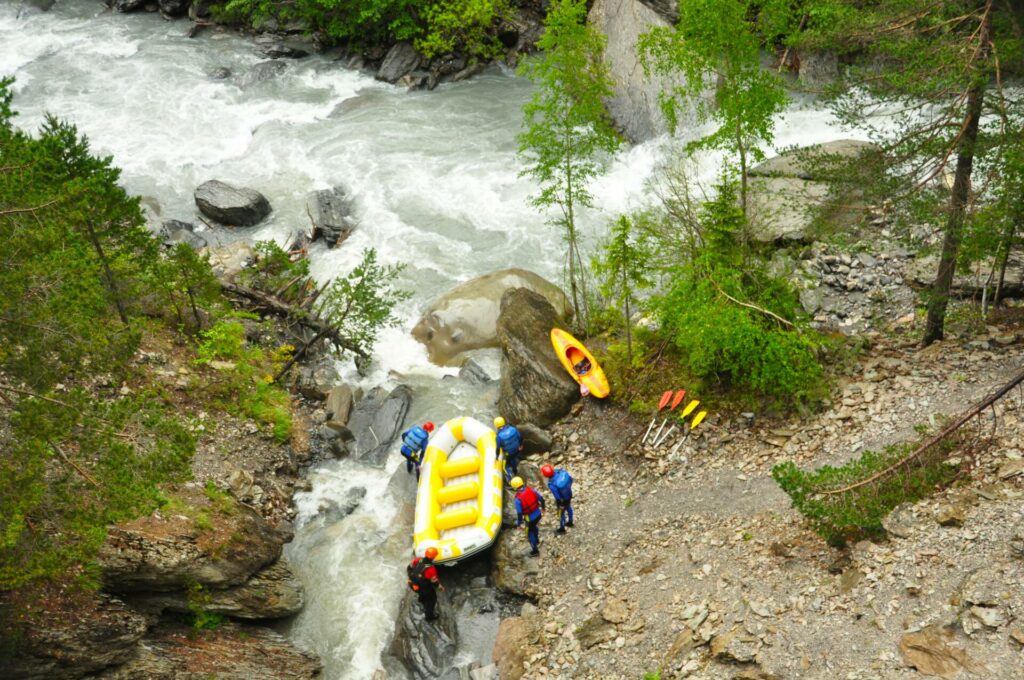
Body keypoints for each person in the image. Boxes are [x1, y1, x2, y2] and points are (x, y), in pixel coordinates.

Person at [511, 476, 545, 557]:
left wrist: (519, 524)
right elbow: (541, 499)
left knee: (529, 534)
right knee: (534, 527)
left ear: (514, 487)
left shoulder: (517, 499)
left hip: (530, 519)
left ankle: (535, 551)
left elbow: (519, 514)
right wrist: (543, 508)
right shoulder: (531, 490)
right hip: (538, 514)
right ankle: (537, 540)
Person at [407, 547, 444, 621]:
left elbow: (409, 567)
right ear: (433, 557)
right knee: (432, 600)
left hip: (413, 584)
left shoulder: (418, 560)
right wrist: (440, 587)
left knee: (422, 591)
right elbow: (434, 582)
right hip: (423, 588)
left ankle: (421, 600)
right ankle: (429, 617)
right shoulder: (431, 569)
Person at [541, 463, 574, 534]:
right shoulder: (559, 471)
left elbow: (557, 496)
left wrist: (560, 504)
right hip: (569, 494)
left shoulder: (551, 484)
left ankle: (562, 528)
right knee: (568, 507)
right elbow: (571, 480)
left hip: (562, 499)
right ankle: (570, 522)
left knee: (561, 513)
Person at [494, 416, 523, 482]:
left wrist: (497, 457)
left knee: (504, 467)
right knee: (514, 458)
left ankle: (511, 477)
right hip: (517, 449)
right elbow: (520, 437)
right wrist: (521, 445)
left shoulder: (499, 437)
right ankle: (515, 467)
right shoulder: (513, 429)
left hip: (509, 453)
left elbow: (498, 448)